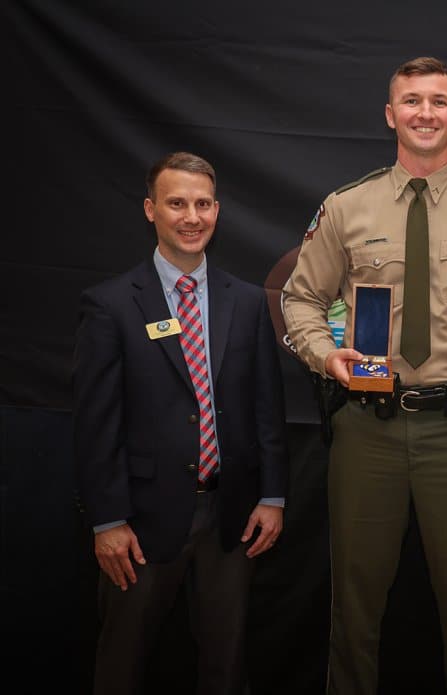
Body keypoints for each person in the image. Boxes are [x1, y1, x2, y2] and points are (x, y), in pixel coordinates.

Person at [281, 56, 447, 694]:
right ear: (390, 114)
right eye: (411, 101)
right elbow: (299, 301)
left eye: (437, 101)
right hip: (366, 429)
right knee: (355, 611)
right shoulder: (347, 208)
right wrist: (325, 355)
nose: (424, 112)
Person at [73, 152, 289, 695]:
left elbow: (268, 407)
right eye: (176, 203)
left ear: (217, 211)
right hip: (141, 524)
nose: (191, 217)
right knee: (122, 663)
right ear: (151, 210)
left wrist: (273, 497)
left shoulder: (246, 302)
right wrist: (107, 521)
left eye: (202, 204)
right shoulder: (112, 305)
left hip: (231, 517)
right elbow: (96, 424)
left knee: (226, 663)